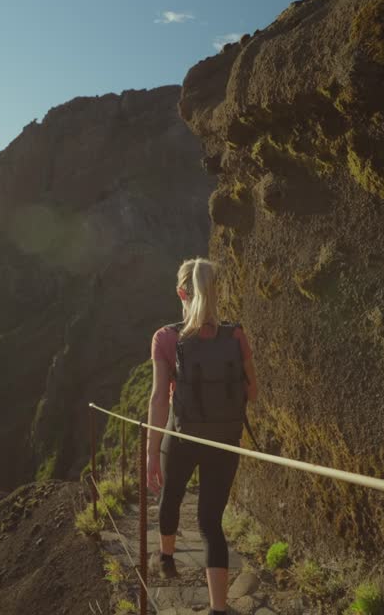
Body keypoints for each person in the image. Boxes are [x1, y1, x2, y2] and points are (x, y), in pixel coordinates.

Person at [146, 257, 258, 615]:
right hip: (224, 440)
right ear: (215, 290)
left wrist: (151, 453)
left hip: (181, 437)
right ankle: (218, 608)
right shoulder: (235, 334)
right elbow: (252, 393)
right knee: (211, 523)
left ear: (182, 292)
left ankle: (166, 558)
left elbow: (158, 398)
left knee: (170, 497)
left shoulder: (166, 338)